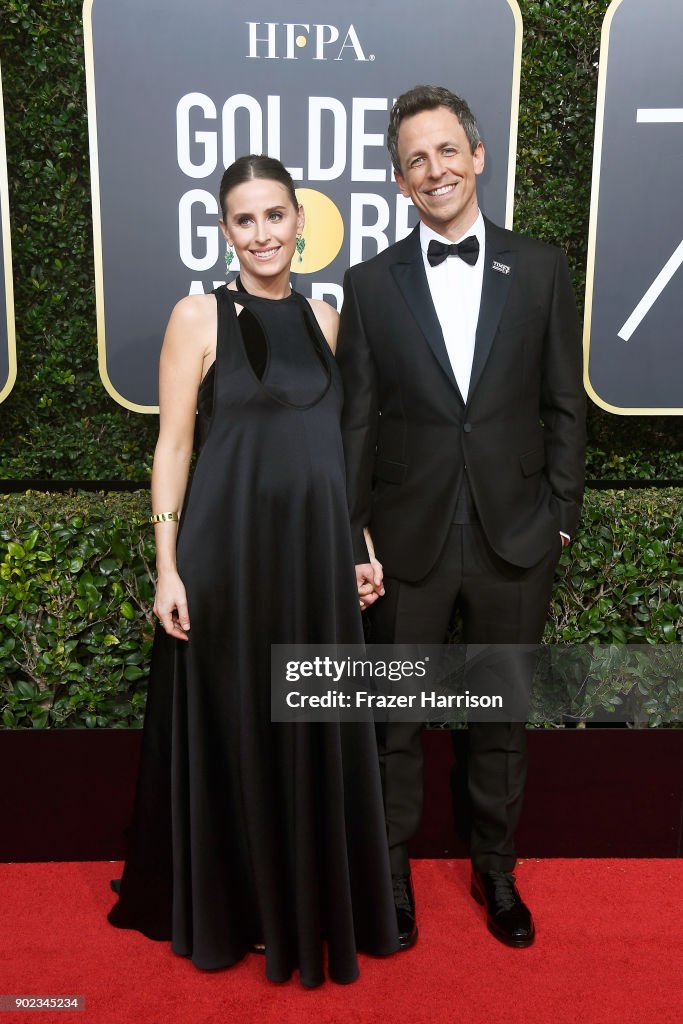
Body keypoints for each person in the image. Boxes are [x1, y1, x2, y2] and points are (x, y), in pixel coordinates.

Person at [108, 155, 399, 986]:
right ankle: (235, 909)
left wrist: (360, 546)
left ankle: (297, 904)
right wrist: (167, 566)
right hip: (223, 559)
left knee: (304, 723)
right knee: (236, 727)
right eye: (246, 219)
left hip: (312, 559)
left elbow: (343, 456)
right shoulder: (196, 316)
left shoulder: (329, 320)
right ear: (224, 229)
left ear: (299, 221)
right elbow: (171, 447)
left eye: (277, 215)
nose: (264, 233)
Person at [336, 85, 586, 950]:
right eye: (415, 159)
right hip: (405, 538)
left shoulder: (542, 267)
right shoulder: (367, 285)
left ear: (478, 158)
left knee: (500, 718)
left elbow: (564, 402)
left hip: (515, 534)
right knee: (392, 721)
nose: (434, 169)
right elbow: (357, 421)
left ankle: (496, 870)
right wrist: (353, 533)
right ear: (399, 182)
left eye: (447, 151)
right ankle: (390, 873)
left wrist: (558, 515)